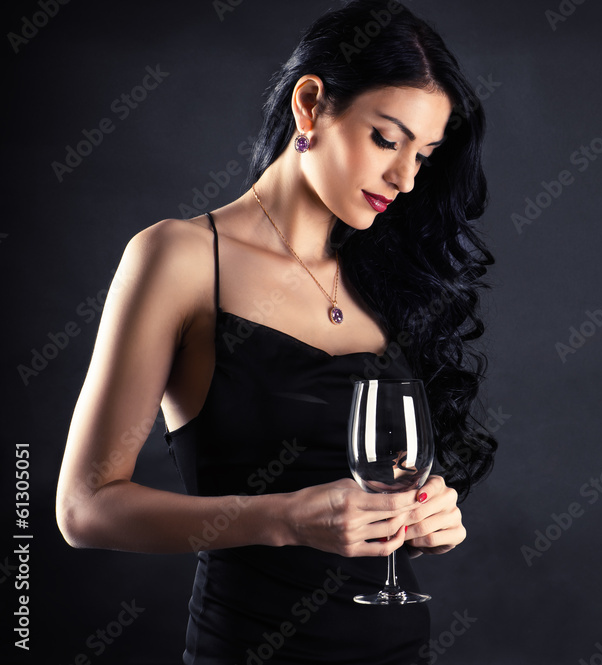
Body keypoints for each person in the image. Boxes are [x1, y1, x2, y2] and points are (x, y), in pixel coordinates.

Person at [55, 2, 498, 662]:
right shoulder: (178, 257)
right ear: (312, 103)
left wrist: (432, 511)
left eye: (423, 156)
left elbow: (379, 480)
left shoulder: (383, 274)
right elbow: (84, 508)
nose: (406, 179)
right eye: (387, 139)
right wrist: (284, 518)